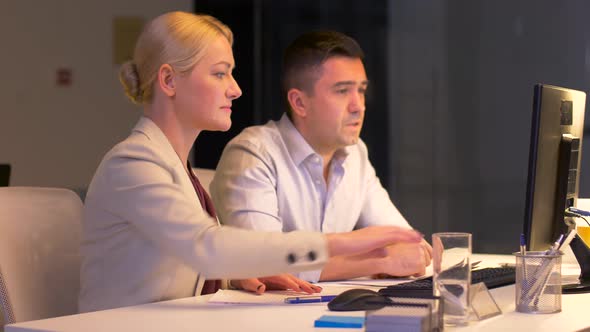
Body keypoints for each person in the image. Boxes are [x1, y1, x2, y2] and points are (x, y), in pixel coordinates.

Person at [78, 12, 423, 313]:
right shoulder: (132, 163)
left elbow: (177, 264)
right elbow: (206, 247)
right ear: (169, 81)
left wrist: (238, 274)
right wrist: (342, 243)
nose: (235, 89)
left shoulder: (173, 166)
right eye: (219, 74)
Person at [210, 30, 432, 283]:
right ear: (300, 103)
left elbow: (407, 243)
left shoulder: (355, 152)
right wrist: (379, 261)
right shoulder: (252, 154)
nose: (358, 105)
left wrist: (393, 254)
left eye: (361, 90)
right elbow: (263, 263)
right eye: (342, 91)